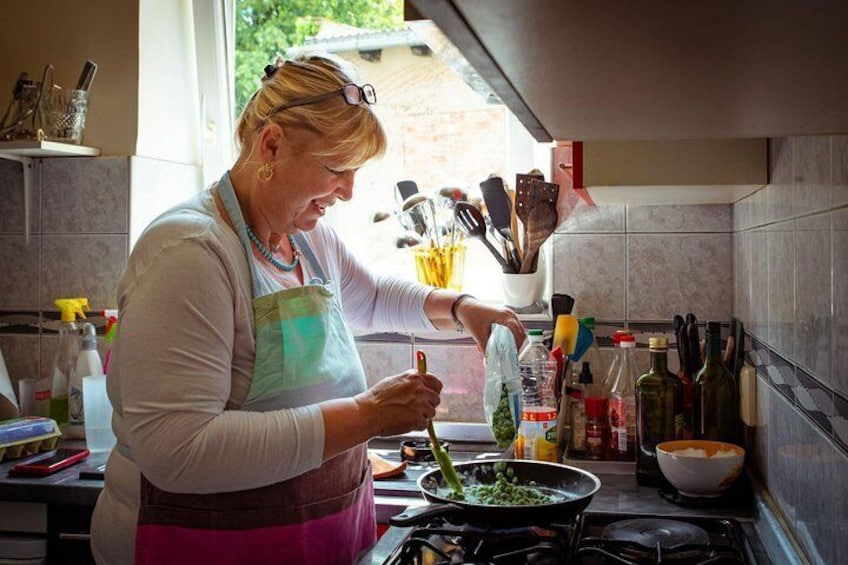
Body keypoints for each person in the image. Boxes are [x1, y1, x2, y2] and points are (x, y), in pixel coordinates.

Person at [90, 51, 525, 564]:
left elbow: (372, 298)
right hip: (202, 546)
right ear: (271, 142)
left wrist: (463, 307)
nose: (347, 192)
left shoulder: (307, 238)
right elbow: (180, 451)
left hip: (318, 538)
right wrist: (367, 414)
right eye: (337, 169)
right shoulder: (190, 251)